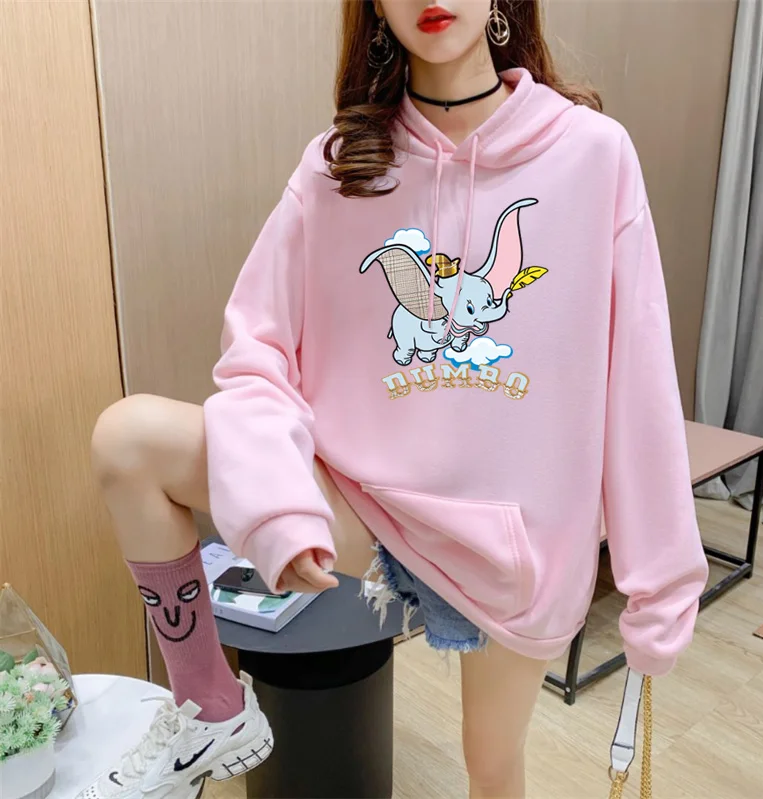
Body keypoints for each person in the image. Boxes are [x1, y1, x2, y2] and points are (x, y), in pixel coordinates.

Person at [82, 1, 709, 797]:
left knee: (492, 765)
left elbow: (640, 380)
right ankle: (209, 706)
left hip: (517, 548)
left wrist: (659, 585)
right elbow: (256, 351)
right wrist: (276, 502)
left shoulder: (592, 156)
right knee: (127, 439)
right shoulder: (339, 168)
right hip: (370, 510)